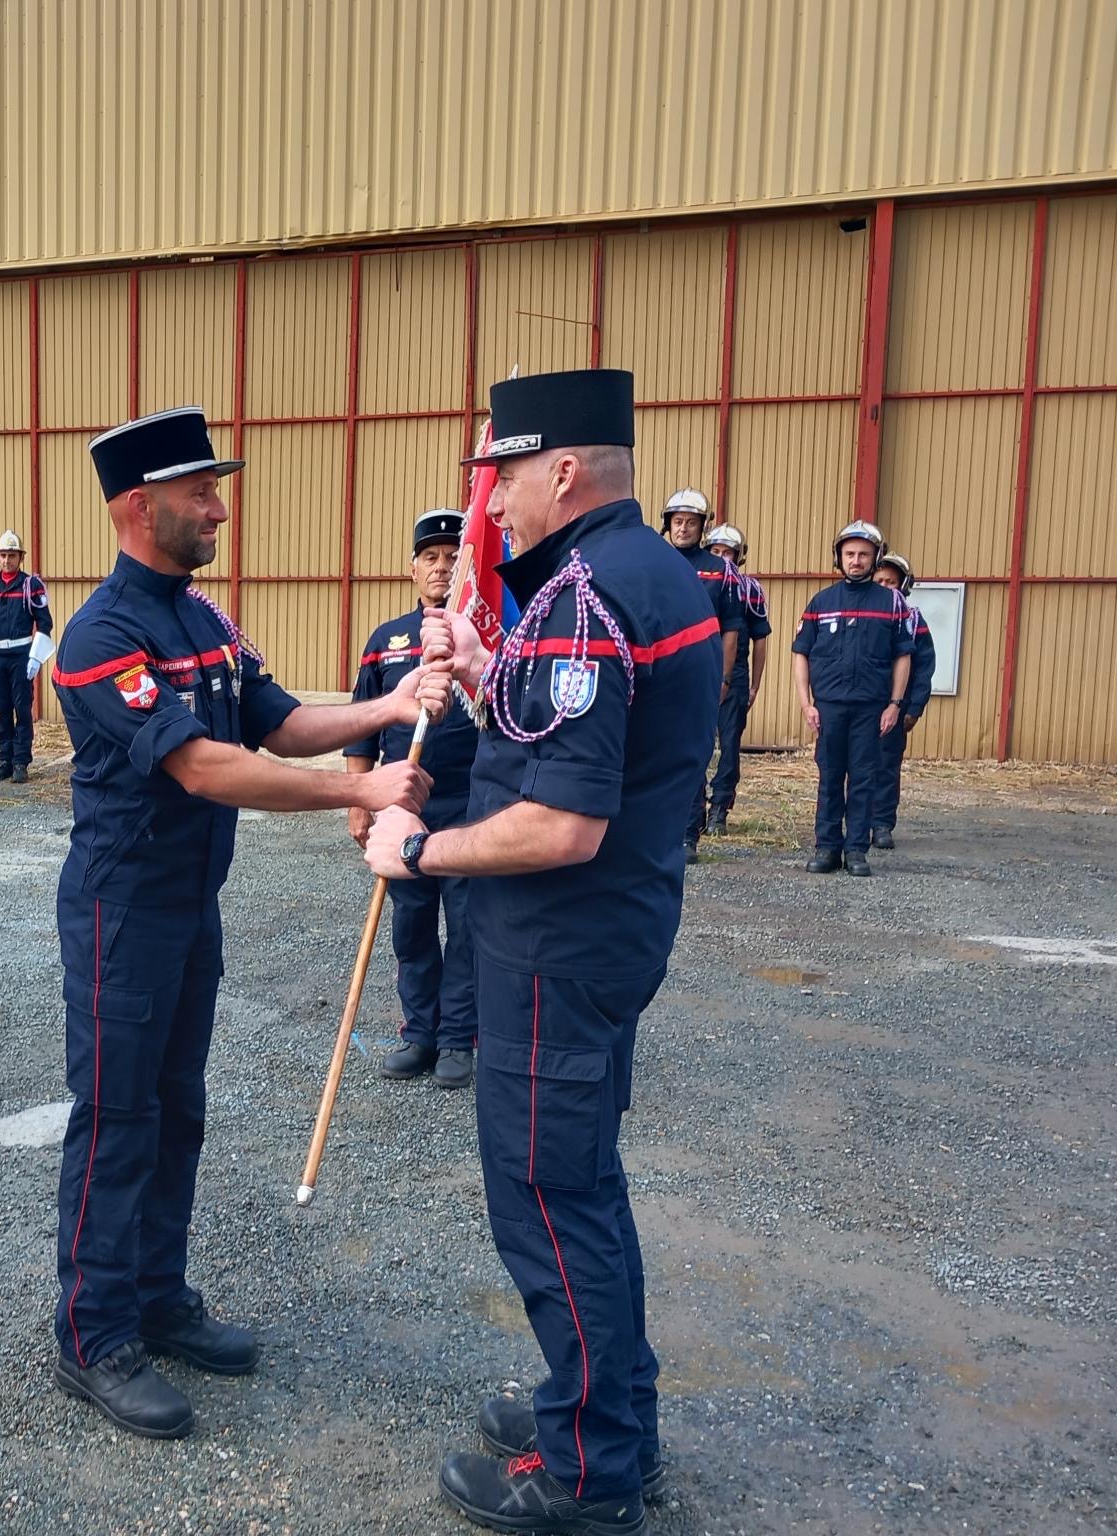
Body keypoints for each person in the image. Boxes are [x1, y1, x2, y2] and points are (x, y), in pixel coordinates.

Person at [364, 370, 719, 1535]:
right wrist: (482, 673)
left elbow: (561, 823)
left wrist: (419, 851)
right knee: (583, 1191)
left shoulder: (582, 598)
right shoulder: (641, 572)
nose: (491, 499)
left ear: (559, 471)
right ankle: (608, 1414)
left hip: (555, 948)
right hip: (603, 937)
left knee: (549, 1204)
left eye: (503, 473)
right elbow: (566, 739)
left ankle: (587, 1471)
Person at [50, 405, 439, 1441]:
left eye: (215, 492)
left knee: (177, 1107)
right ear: (140, 508)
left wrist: (387, 708)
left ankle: (156, 1297)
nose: (218, 510)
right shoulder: (102, 637)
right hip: (122, 915)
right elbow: (203, 766)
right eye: (200, 494)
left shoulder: (207, 620)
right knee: (116, 1117)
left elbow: (278, 721)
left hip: (190, 909)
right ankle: (92, 1334)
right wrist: (357, 791)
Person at [345, 507, 479, 1089]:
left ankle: (458, 1039)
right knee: (412, 926)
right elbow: (363, 725)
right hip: (404, 809)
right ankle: (420, 1032)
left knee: (468, 926)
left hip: (471, 805)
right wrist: (359, 800)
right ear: (413, 568)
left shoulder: (481, 639)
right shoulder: (387, 641)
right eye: (431, 557)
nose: (442, 567)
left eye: (452, 557)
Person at [792, 520, 912, 877]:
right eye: (849, 554)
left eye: (863, 554)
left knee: (863, 778)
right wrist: (806, 703)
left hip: (870, 708)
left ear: (875, 558)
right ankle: (827, 847)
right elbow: (800, 653)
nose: (856, 560)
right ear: (839, 557)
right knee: (830, 777)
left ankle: (856, 850)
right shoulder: (821, 602)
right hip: (830, 706)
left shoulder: (891, 603)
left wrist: (895, 704)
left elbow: (903, 656)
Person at [657, 488, 743, 862]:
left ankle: (688, 834)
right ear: (668, 525)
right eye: (677, 522)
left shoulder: (721, 572)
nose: (683, 528)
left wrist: (724, 678)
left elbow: (731, 630)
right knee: (655, 754)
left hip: (700, 676)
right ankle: (657, 832)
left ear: (702, 527)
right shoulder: (654, 561)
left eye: (690, 522)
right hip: (658, 675)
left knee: (692, 754)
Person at [699, 523, 770, 835]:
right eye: (716, 551)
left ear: (739, 556)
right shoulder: (696, 579)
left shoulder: (749, 589)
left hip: (735, 673)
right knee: (695, 743)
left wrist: (754, 686)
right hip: (699, 669)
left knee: (728, 744)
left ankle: (720, 808)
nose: (721, 557)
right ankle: (693, 809)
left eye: (728, 552)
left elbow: (760, 639)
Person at [870, 552, 936, 851]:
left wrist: (915, 707)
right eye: (879, 581)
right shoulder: (859, 615)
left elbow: (924, 667)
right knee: (854, 765)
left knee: (886, 766)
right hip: (860, 702)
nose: (884, 587)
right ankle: (855, 821)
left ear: (904, 586)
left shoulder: (913, 620)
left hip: (894, 706)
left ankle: (882, 824)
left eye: (891, 582)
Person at [0, 528, 53, 782]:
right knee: (2, 709)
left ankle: (21, 761)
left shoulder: (31, 585)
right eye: (3, 555)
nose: (7, 560)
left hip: (21, 654)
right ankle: (4, 760)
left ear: (21, 557)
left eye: (12, 555)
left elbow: (45, 623)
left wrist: (36, 657)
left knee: (22, 708)